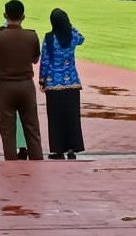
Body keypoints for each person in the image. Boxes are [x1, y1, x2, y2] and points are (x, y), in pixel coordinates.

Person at [0, 0, 44, 160]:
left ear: (5, 16)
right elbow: (35, 59)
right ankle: (37, 160)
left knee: (7, 131)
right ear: (23, 16)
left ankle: (12, 163)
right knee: (32, 128)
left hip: (5, 86)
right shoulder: (31, 35)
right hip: (26, 85)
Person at [39, 8, 86, 160]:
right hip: (71, 81)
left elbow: (45, 60)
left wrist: (42, 79)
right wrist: (70, 26)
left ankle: (58, 149)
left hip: (53, 82)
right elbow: (81, 38)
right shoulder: (72, 37)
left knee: (55, 118)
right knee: (72, 117)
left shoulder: (50, 38)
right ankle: (72, 148)